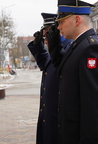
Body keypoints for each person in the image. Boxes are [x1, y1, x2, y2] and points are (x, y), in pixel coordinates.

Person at [46, 0, 98, 144]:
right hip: (75, 132)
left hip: (86, 136)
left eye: (61, 22)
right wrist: (53, 41)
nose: (59, 27)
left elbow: (95, 102)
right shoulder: (78, 45)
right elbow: (63, 66)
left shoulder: (91, 48)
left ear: (77, 20)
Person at [28, 12, 72, 144]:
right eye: (45, 32)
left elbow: (60, 63)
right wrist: (37, 46)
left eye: (48, 32)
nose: (45, 36)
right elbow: (46, 63)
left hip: (59, 112)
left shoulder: (68, 47)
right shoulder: (55, 49)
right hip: (49, 111)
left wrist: (52, 44)